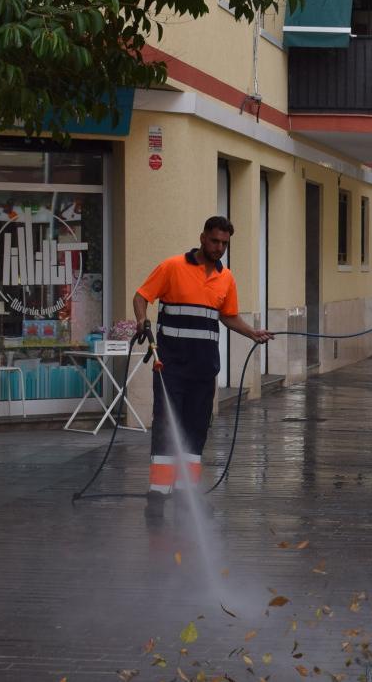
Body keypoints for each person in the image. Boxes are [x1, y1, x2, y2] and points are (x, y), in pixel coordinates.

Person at [134, 216, 273, 520]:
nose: (219, 248)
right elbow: (141, 297)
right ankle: (157, 497)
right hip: (170, 366)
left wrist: (253, 332)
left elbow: (228, 315)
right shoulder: (172, 267)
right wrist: (142, 322)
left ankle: (186, 495)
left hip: (204, 367)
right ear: (202, 237)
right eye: (214, 241)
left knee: (196, 431)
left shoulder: (226, 278)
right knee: (166, 425)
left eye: (224, 243)